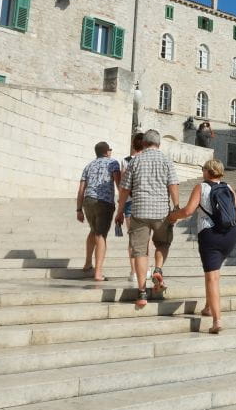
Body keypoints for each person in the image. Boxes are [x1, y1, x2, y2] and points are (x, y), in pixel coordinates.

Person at [167, 159, 236, 334]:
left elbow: (188, 211)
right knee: (213, 273)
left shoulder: (201, 187)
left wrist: (172, 216)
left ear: (207, 172)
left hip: (210, 235)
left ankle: (217, 320)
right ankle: (209, 306)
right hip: (230, 235)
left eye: (203, 169)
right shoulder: (229, 187)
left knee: (212, 277)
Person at [115, 129, 180, 308]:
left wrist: (120, 211)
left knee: (140, 252)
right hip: (161, 212)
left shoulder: (135, 161)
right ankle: (158, 269)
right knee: (162, 243)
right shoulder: (167, 161)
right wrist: (175, 207)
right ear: (159, 144)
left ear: (143, 143)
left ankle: (142, 292)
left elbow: (124, 189)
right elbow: (173, 184)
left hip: (139, 211)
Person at [76, 141, 120, 282]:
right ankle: (98, 273)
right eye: (110, 150)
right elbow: (119, 183)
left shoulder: (88, 166)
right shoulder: (113, 163)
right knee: (101, 235)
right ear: (107, 152)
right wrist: (124, 202)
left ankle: (88, 263)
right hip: (104, 202)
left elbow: (81, 189)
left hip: (88, 201)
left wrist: (78, 209)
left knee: (93, 231)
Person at [120, 132, 148, 285]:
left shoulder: (126, 161)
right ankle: (146, 268)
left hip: (130, 202)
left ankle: (133, 271)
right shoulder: (149, 160)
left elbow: (123, 184)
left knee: (132, 238)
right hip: (145, 202)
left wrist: (120, 205)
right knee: (146, 237)